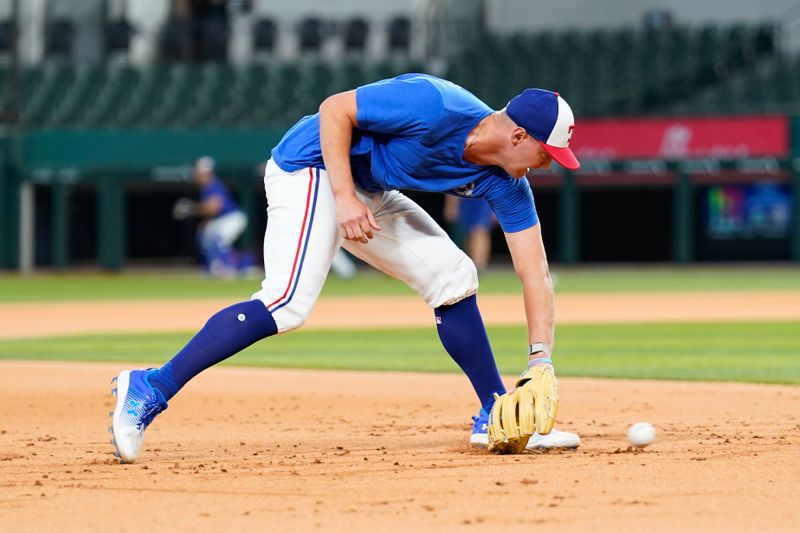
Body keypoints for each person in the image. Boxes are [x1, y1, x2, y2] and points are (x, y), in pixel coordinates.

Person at [110, 74, 581, 463]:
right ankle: (150, 386)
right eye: (545, 154)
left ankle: (492, 412)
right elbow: (336, 109)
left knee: (453, 276)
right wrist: (343, 198)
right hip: (310, 166)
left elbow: (534, 270)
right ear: (518, 135)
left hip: (367, 187)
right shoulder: (434, 104)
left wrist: (541, 357)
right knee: (287, 303)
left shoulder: (508, 183)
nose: (545, 166)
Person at [175, 156, 249, 277]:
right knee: (204, 235)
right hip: (223, 219)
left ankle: (231, 266)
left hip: (233, 217)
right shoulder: (205, 187)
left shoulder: (213, 184)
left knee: (218, 237)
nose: (197, 175)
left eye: (200, 172)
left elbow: (215, 206)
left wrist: (192, 209)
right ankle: (215, 266)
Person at [443, 195, 495, 271]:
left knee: (480, 230)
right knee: (468, 233)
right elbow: (452, 185)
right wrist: (451, 205)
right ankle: (472, 264)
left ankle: (479, 265)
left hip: (482, 198)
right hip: (465, 197)